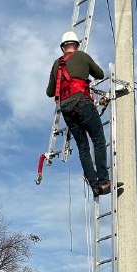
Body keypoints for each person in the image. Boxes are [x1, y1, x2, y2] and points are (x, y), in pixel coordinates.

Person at [46, 31, 110, 196]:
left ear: (63, 48)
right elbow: (100, 74)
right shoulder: (82, 56)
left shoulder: (56, 64)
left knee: (83, 147)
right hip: (83, 103)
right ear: (77, 45)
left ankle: (94, 186)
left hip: (67, 110)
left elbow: (50, 92)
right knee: (98, 140)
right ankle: (103, 182)